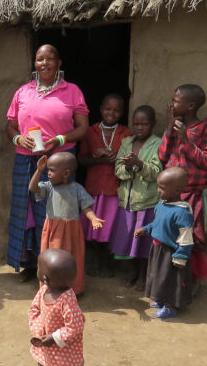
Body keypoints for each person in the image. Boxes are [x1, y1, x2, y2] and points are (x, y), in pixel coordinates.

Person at [6, 44, 89, 282]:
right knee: (26, 211)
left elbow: (82, 128)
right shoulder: (23, 91)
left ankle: (58, 271)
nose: (44, 63)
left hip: (57, 162)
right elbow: (10, 124)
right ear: (34, 63)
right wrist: (17, 137)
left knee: (55, 214)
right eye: (40, 59)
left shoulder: (71, 91)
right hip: (25, 160)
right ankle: (31, 264)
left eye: (50, 59)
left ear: (59, 63)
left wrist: (60, 139)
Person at [158, 84, 207, 283]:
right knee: (168, 236)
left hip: (192, 195)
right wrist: (169, 128)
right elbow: (162, 156)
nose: (171, 104)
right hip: (170, 196)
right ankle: (169, 281)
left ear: (190, 105)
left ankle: (188, 282)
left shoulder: (206, 129)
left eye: (175, 101)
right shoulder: (175, 127)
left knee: (189, 238)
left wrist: (186, 140)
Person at [29, 152, 104, 294]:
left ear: (66, 173)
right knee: (50, 258)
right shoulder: (49, 186)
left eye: (51, 170)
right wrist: (39, 170)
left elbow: (86, 207)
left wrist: (93, 218)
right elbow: (33, 188)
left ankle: (73, 289)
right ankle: (49, 287)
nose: (48, 173)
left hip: (71, 232)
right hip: (53, 230)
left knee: (71, 259)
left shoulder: (77, 189)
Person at [78, 94, 131, 278]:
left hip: (113, 189)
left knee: (110, 228)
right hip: (93, 188)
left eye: (116, 110)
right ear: (100, 109)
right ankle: (93, 261)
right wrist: (96, 159)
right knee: (91, 228)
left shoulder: (126, 134)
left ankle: (107, 263)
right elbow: (81, 160)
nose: (111, 113)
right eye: (108, 109)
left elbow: (130, 159)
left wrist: (116, 158)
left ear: (122, 113)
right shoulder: (90, 132)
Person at [110, 105, 161, 290]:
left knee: (144, 243)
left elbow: (157, 172)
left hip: (147, 201)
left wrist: (139, 165)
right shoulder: (126, 143)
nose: (139, 128)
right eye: (136, 124)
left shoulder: (158, 144)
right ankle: (131, 272)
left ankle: (143, 276)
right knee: (128, 240)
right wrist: (129, 168)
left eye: (144, 124)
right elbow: (117, 169)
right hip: (127, 201)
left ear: (153, 124)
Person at [135, 167, 194, 319]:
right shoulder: (161, 204)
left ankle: (170, 307)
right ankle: (160, 300)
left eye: (162, 187)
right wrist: (146, 229)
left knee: (169, 281)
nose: (158, 190)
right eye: (158, 186)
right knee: (157, 277)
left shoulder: (182, 213)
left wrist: (181, 256)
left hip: (171, 253)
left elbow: (186, 238)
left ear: (177, 190)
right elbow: (157, 223)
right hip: (157, 248)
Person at [29, 248, 85, 366]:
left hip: (62, 351)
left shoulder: (67, 300)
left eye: (39, 267)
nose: (37, 268)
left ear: (45, 278)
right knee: (43, 362)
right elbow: (34, 309)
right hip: (44, 345)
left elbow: (75, 327)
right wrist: (37, 330)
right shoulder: (44, 290)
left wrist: (54, 338)